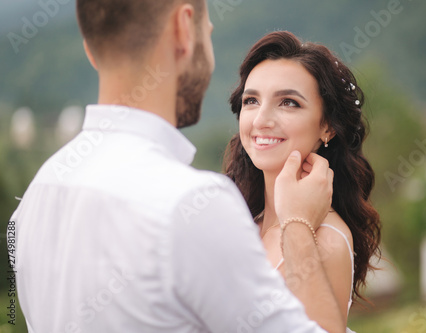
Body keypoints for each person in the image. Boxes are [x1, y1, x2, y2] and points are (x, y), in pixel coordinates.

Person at [9, 1, 346, 332]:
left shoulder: (37, 194)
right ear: (184, 28)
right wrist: (299, 227)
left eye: (288, 102)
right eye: (208, 33)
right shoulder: (192, 203)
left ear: (91, 50)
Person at [224, 31, 382, 330]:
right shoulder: (242, 223)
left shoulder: (327, 239)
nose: (261, 120)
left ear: (327, 126)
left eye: (288, 103)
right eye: (252, 100)